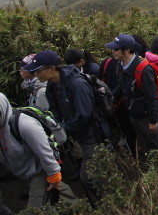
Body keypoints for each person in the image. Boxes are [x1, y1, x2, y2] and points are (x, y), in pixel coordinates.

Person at [22, 50, 103, 203]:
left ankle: (106, 202)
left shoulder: (77, 84)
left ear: (51, 68)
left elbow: (84, 115)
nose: (36, 74)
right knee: (87, 174)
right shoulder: (53, 86)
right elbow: (55, 110)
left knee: (88, 177)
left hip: (91, 134)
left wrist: (64, 129)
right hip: (76, 134)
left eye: (38, 70)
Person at [0, 93, 78, 209]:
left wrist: (54, 176)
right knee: (59, 198)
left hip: (41, 170)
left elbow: (45, 152)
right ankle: (83, 209)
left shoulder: (24, 124)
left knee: (35, 209)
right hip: (26, 174)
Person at [106, 34, 158, 160]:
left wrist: (153, 121)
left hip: (148, 116)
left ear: (126, 50)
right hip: (135, 115)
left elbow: (152, 96)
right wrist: (110, 97)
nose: (113, 51)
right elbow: (122, 86)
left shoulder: (143, 69)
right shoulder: (121, 65)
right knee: (147, 145)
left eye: (116, 49)